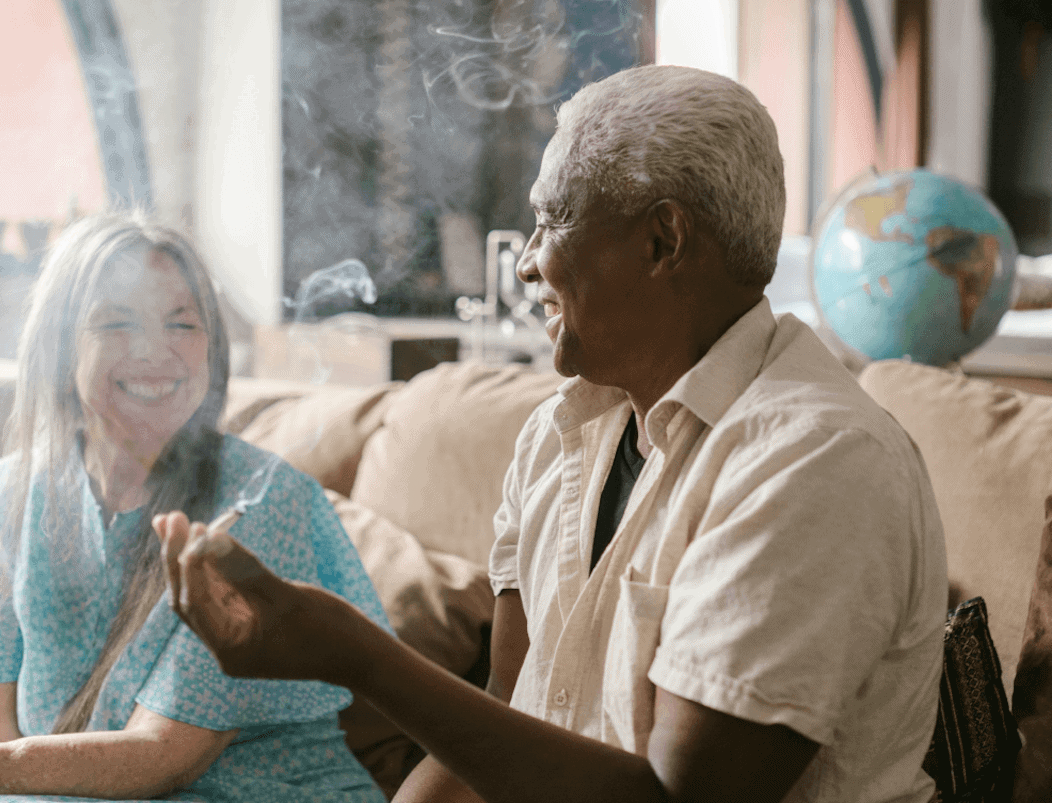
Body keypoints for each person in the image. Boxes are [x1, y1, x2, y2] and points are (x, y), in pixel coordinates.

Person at [154, 64, 949, 803]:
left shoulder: (817, 461)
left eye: (551, 220)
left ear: (663, 241)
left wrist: (356, 657)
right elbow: (502, 724)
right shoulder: (558, 433)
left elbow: (683, 798)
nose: (528, 263)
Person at [0, 213, 389, 803]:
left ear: (213, 348)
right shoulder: (2, 497)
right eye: (116, 324)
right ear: (59, 350)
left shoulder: (264, 503)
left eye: (182, 324)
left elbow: (164, 755)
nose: (154, 352)